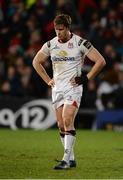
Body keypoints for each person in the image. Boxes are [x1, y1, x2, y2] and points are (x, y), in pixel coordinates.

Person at [32, 14, 106, 170]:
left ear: (67, 28)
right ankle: (71, 159)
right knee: (60, 125)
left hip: (73, 88)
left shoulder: (80, 43)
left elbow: (100, 61)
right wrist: (48, 80)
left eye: (61, 29)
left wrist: (86, 78)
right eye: (56, 29)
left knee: (67, 119)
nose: (58, 33)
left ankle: (65, 160)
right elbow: (36, 62)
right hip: (57, 89)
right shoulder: (51, 45)